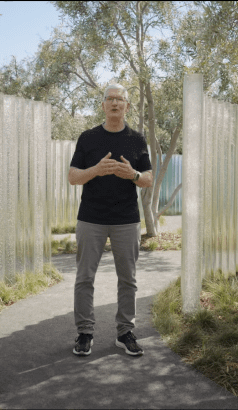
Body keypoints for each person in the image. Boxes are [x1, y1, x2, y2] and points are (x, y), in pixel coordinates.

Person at [68, 83, 153, 356]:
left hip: (126, 220)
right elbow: (73, 177)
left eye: (120, 99)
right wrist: (95, 170)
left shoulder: (137, 140)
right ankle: (84, 333)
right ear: (103, 105)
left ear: (127, 106)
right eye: (110, 99)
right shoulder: (87, 138)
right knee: (84, 278)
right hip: (91, 218)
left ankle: (125, 332)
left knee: (128, 279)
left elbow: (148, 179)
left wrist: (133, 175)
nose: (115, 103)